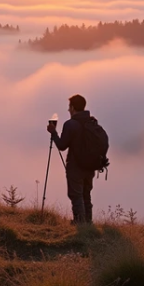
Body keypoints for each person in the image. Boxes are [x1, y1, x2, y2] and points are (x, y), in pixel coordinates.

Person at [47, 94, 95, 224]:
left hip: (75, 166)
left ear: (73, 108)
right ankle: (88, 223)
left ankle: (79, 222)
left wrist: (53, 133)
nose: (68, 110)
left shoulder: (70, 124)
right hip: (90, 166)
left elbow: (62, 146)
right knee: (86, 195)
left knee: (76, 195)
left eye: (69, 107)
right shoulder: (91, 122)